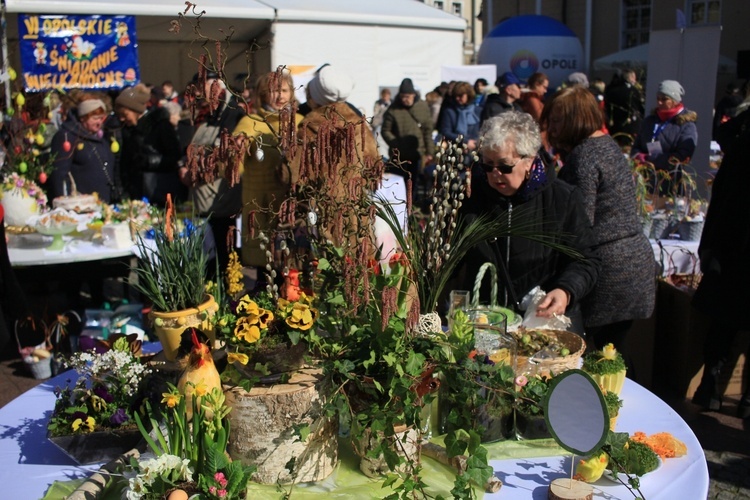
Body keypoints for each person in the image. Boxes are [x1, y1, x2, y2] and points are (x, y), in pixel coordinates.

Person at [458, 111, 601, 335]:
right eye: (487, 165)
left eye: (505, 167)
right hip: (485, 325)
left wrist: (565, 290)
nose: (495, 174)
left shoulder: (561, 199)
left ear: (529, 161)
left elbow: (586, 259)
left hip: (542, 325)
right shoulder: (471, 198)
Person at [541, 86, 656, 355]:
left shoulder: (585, 156)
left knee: (608, 356)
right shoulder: (605, 144)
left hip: (610, 269)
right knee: (614, 351)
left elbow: (580, 221)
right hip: (631, 260)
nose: (552, 129)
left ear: (574, 119)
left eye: (557, 121)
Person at [691, 107, 750, 416]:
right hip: (732, 251)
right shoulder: (741, 146)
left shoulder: (740, 146)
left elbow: (720, 201)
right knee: (723, 322)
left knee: (722, 323)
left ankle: (709, 388)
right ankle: (721, 391)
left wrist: (709, 246)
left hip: (730, 250)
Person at [288, 65, 382, 250]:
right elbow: (374, 171)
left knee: (324, 265)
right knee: (355, 263)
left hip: (321, 214)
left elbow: (293, 177)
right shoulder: (358, 125)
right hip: (355, 212)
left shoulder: (309, 128)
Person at [233, 70, 303, 269]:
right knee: (265, 273)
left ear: (291, 93)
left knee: (296, 274)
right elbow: (232, 167)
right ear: (263, 94)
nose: (279, 96)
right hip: (261, 206)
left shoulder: (300, 122)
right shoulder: (250, 122)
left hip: (293, 209)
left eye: (284, 90)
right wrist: (234, 151)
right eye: (273, 91)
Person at [178, 71, 244, 271]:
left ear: (216, 86)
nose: (198, 92)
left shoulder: (233, 113)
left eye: (201, 87)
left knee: (225, 257)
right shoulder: (205, 113)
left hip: (222, 200)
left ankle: (227, 297)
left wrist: (196, 175)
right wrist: (182, 166)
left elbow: (227, 157)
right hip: (201, 199)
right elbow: (188, 147)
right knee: (208, 259)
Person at [115, 85, 181, 205]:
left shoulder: (160, 126)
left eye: (125, 114)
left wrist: (150, 161)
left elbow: (175, 155)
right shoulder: (127, 130)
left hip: (158, 189)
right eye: (119, 115)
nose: (122, 119)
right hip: (136, 191)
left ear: (135, 110)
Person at [49, 95, 120, 202]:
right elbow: (59, 174)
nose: (99, 123)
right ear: (83, 118)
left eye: (101, 118)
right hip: (80, 205)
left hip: (102, 202)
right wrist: (65, 202)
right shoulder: (68, 137)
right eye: (95, 118)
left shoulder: (100, 137)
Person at [631, 80, 697, 193]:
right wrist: (638, 156)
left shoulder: (686, 125)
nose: (660, 102)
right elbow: (636, 146)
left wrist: (649, 159)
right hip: (645, 182)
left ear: (675, 100)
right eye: (658, 98)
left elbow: (682, 156)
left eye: (664, 99)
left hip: (671, 184)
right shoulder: (649, 121)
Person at [381, 78, 435, 185]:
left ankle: (412, 201)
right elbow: (385, 130)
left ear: (413, 95)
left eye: (407, 97)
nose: (404, 99)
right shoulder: (393, 109)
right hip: (398, 155)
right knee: (397, 183)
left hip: (417, 153)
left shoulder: (422, 106)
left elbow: (428, 130)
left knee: (413, 182)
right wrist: (396, 144)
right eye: (402, 97)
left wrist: (430, 152)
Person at [604, 69, 644, 149]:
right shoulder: (633, 91)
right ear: (631, 77)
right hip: (631, 126)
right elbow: (639, 108)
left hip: (614, 125)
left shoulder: (610, 90)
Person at [439, 81, 481, 152]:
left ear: (468, 95)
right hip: (455, 149)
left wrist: (475, 143)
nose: (457, 98)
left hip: (475, 149)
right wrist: (465, 141)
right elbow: (446, 131)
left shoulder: (478, 111)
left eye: (460, 96)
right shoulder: (449, 111)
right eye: (456, 96)